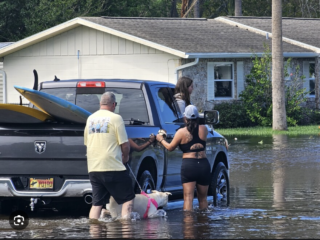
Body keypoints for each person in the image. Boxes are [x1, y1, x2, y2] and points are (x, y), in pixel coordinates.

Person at [84, 92, 135, 220]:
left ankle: (93, 230)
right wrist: (125, 158)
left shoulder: (90, 119)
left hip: (94, 168)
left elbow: (87, 143)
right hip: (113, 167)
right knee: (128, 199)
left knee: (97, 204)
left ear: (100, 104)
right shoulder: (116, 118)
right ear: (113, 104)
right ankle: (126, 229)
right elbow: (125, 144)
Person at [156, 105, 210, 211]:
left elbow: (170, 147)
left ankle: (188, 226)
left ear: (185, 118)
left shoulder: (181, 132)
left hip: (189, 165)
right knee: (203, 199)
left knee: (188, 199)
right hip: (204, 165)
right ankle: (204, 226)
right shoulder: (204, 129)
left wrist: (161, 139)